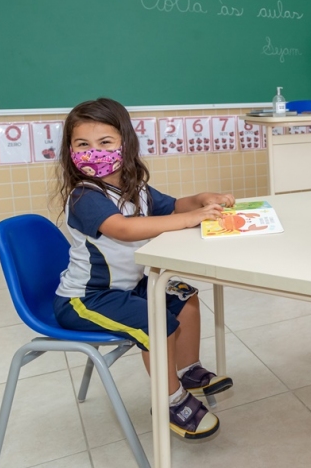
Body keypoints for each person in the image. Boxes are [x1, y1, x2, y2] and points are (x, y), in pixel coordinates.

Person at [52, 98, 234, 440]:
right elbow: (123, 229)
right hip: (86, 300)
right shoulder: (84, 196)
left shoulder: (135, 188)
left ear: (125, 144)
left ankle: (189, 371)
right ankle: (170, 399)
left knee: (185, 296)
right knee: (158, 322)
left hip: (126, 287)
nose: (94, 152)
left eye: (104, 143)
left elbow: (172, 205)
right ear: (69, 150)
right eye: (82, 145)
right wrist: (189, 218)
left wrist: (199, 200)